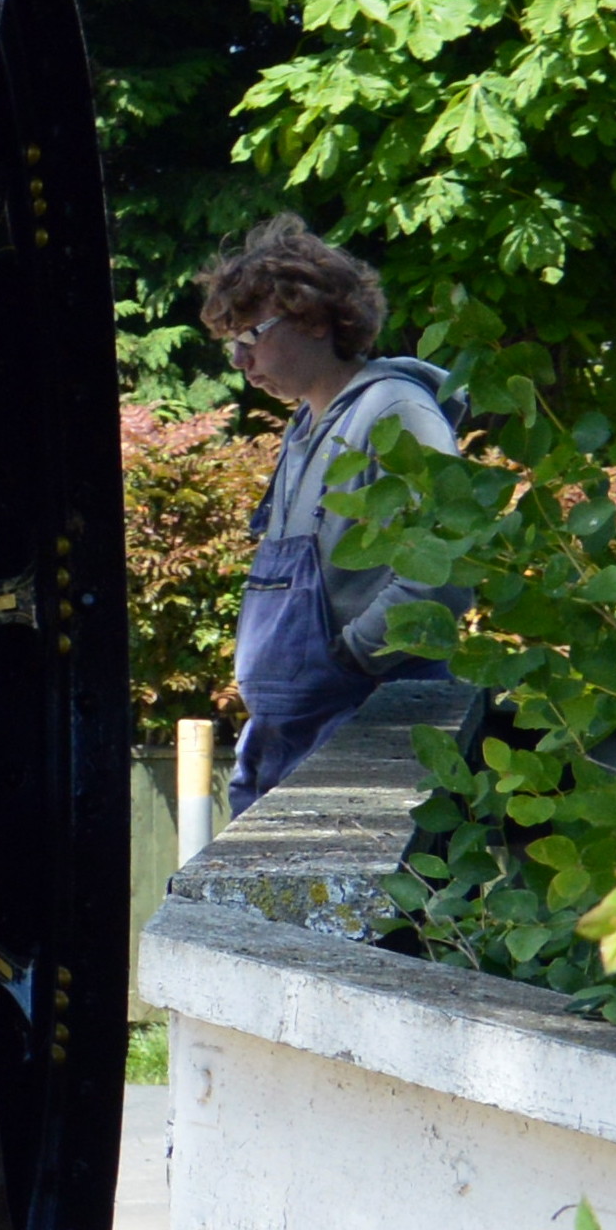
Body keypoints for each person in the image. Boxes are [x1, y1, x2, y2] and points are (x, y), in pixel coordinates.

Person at [201, 215, 466, 810]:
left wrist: (349, 655)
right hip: (293, 742)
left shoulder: (396, 412)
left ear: (316, 319)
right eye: (232, 345)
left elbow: (446, 571)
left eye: (253, 335)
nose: (241, 362)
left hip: (375, 738)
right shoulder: (303, 430)